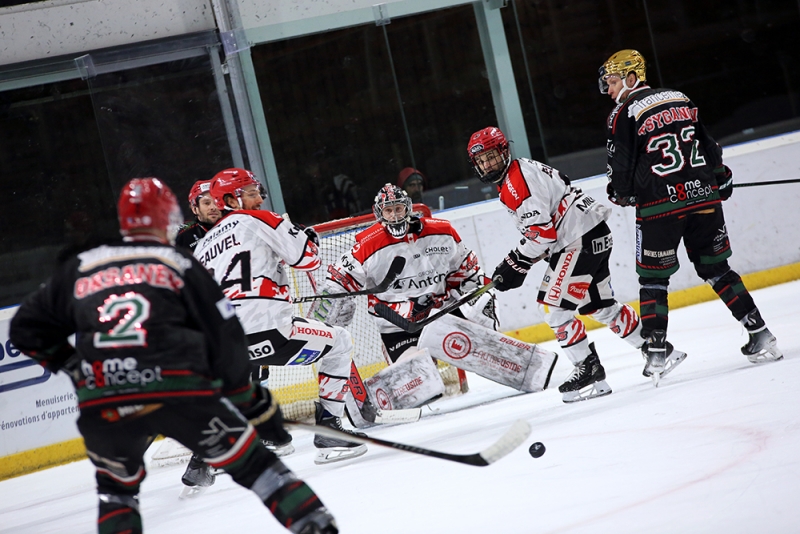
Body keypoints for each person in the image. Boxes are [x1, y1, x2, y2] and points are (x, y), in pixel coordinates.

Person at [8, 178, 338, 534]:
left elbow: (25, 330)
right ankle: (315, 526)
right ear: (168, 218)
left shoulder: (82, 265)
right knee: (258, 467)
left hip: (105, 401)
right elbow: (225, 336)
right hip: (178, 392)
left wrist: (76, 370)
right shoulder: (177, 261)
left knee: (117, 495)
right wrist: (253, 402)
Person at [598, 49, 783, 377]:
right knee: (718, 270)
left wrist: (621, 193)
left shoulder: (623, 113)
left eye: (613, 82)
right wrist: (721, 178)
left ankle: (656, 354)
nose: (609, 90)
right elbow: (708, 145)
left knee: (654, 279)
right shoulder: (680, 98)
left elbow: (622, 164)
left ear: (631, 78)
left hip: (659, 206)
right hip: (703, 198)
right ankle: (761, 334)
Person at [312, 184, 557, 408]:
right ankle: (370, 403)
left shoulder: (442, 231)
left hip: (444, 314)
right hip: (399, 327)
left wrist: (475, 296)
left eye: (399, 208)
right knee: (419, 380)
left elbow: (468, 271)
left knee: (482, 304)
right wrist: (327, 314)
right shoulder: (366, 244)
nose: (395, 215)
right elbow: (337, 280)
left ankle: (505, 357)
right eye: (389, 211)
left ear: (408, 208)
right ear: (379, 214)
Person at [193, 167, 368, 465]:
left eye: (257, 192)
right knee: (340, 341)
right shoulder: (259, 219)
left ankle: (202, 461)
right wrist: (307, 237)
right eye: (250, 193)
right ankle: (328, 430)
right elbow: (307, 258)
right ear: (231, 201)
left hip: (222, 345)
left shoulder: (202, 247)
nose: (259, 199)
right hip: (268, 331)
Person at [467, 126, 648, 399]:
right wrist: (519, 263)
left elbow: (543, 235)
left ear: (504, 151)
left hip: (578, 239)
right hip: (591, 233)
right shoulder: (520, 172)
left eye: (491, 156)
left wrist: (515, 262)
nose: (486, 164)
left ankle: (587, 369)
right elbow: (546, 232)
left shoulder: (517, 183)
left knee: (554, 310)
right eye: (481, 161)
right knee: (598, 306)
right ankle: (655, 349)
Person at [175, 179, 221, 251]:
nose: (213, 207)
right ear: (194, 209)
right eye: (206, 203)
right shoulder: (182, 236)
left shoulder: (237, 224)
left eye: (216, 201)